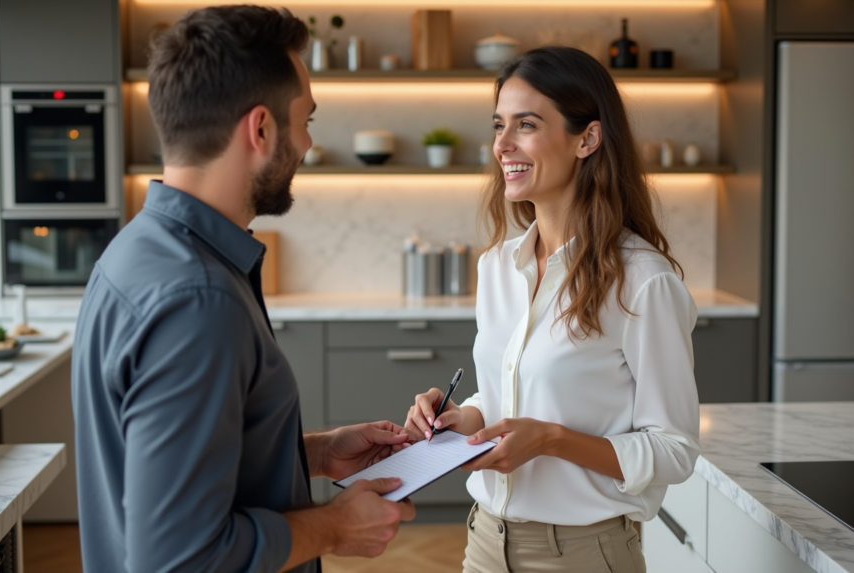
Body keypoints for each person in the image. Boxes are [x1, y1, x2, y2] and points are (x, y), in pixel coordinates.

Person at [71, 6, 414, 573]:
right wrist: (334, 526)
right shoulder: (196, 300)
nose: (305, 144)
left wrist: (318, 453)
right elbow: (182, 559)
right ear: (260, 129)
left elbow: (172, 471)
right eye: (305, 120)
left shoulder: (135, 253)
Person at [405, 46, 701, 573]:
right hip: (485, 543)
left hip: (585, 553)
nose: (502, 145)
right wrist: (460, 420)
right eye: (499, 125)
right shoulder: (498, 266)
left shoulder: (643, 280)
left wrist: (552, 440)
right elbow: (504, 392)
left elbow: (673, 451)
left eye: (526, 125)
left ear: (586, 138)